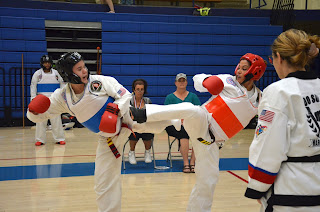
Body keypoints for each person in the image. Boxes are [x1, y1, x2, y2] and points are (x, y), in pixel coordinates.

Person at [131, 53, 267, 212]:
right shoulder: (228, 81)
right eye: (239, 66)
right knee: (192, 109)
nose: (238, 71)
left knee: (208, 180)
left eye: (244, 68)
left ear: (255, 72)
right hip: (202, 122)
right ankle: (141, 113)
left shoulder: (261, 99)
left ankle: (137, 125)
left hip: (211, 143)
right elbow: (197, 79)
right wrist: (205, 81)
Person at [27, 52, 135, 212]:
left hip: (129, 119)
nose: (85, 70)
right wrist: (32, 111)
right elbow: (42, 115)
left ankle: (183, 114)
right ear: (69, 74)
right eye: (79, 68)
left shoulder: (99, 81)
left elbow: (125, 95)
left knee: (168, 115)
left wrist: (115, 109)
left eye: (84, 66)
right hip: (107, 139)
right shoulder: (63, 97)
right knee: (102, 183)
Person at [244, 29, 320, 211]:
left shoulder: (278, 92)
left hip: (291, 192)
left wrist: (258, 187)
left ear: (278, 57)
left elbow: (268, 145)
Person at [164, 73, 201, 173]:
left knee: (198, 134)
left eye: (183, 80)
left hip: (191, 124)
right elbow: (166, 115)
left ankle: (193, 162)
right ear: (175, 83)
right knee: (184, 132)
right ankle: (186, 163)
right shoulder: (170, 98)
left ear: (186, 82)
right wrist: (178, 120)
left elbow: (199, 112)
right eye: (179, 81)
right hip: (174, 126)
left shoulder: (193, 97)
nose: (181, 83)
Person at [30, 55, 66, 146]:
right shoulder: (38, 74)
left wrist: (62, 96)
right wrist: (33, 99)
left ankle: (59, 138)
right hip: (41, 101)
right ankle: (40, 139)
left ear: (51, 63)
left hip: (54, 100)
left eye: (48, 62)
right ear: (42, 64)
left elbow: (62, 84)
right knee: (41, 121)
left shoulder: (56, 73)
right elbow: (33, 86)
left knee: (56, 120)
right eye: (45, 63)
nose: (47, 64)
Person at [128, 79, 154, 164]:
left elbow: (151, 115)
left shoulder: (147, 101)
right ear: (134, 90)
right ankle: (131, 152)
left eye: (142, 89)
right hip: (133, 126)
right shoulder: (129, 101)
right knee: (134, 132)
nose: (139, 91)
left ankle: (147, 152)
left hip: (145, 125)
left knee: (149, 131)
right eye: (138, 89)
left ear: (144, 90)